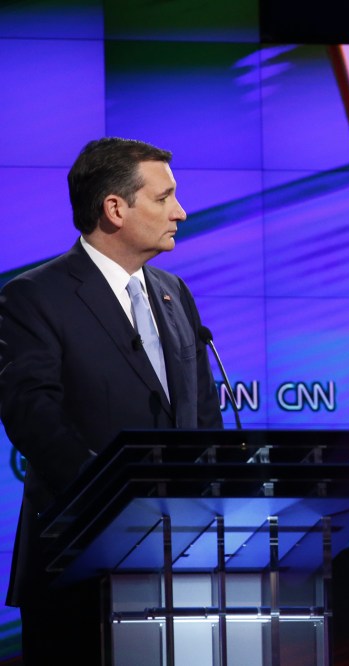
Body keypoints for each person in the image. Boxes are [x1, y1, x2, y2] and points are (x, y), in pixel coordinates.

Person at [0, 137, 223, 663]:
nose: (181, 212)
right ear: (115, 208)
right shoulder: (33, 297)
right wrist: (115, 505)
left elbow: (204, 417)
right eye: (164, 197)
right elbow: (34, 418)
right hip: (80, 564)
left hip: (181, 565)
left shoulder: (173, 292)